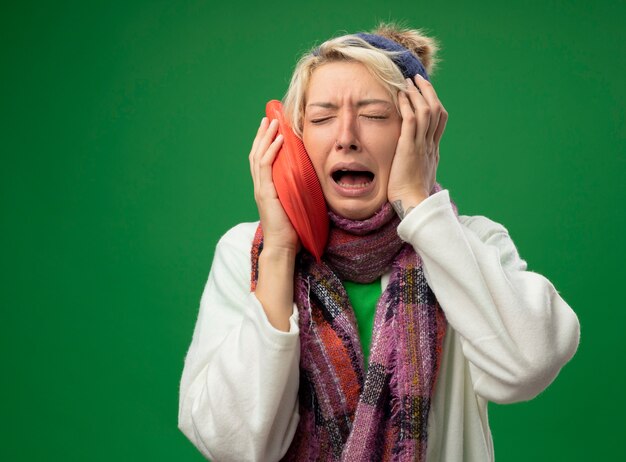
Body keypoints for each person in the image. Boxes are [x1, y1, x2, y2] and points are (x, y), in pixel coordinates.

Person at [178, 23, 580, 462]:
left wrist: (419, 203)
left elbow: (528, 367)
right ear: (296, 141)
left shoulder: (469, 243)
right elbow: (230, 445)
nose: (347, 136)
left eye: (373, 114)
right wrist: (278, 249)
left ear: (415, 132)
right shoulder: (247, 253)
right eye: (322, 117)